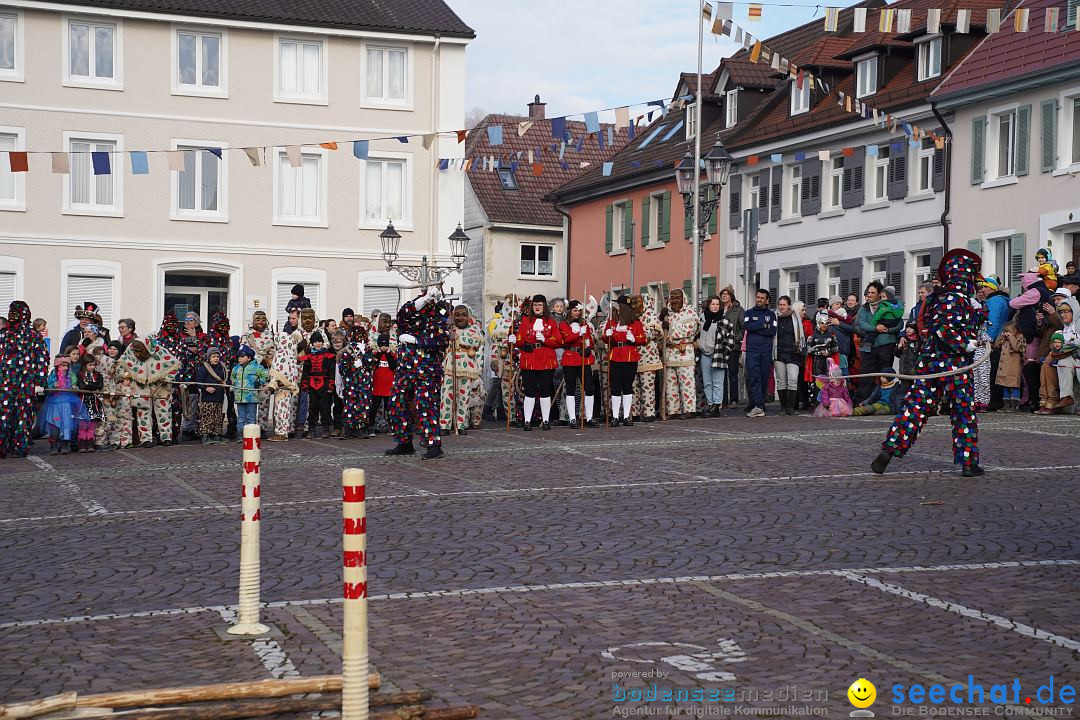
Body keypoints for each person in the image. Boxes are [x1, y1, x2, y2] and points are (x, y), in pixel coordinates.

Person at [873, 249, 985, 477]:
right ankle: (968, 463)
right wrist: (966, 344)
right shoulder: (955, 299)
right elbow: (944, 330)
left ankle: (888, 451)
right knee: (963, 412)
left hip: (931, 363)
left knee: (915, 408)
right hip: (954, 364)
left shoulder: (942, 297)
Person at [385, 287, 451, 460]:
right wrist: (422, 300)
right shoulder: (409, 315)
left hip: (427, 369)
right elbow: (402, 315)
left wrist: (417, 341)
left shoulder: (438, 317)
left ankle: (433, 446)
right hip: (405, 368)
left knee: (425, 404)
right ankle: (404, 442)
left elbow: (441, 340)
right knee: (396, 401)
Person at [0, 301, 50, 458]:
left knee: (24, 414)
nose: (13, 315)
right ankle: (3, 445)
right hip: (5, 382)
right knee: (4, 414)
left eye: (17, 312)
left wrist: (40, 382)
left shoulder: (33, 335)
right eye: (11, 311)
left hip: (26, 382)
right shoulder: (3, 335)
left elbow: (42, 358)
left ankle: (20, 446)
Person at [513, 294, 562, 431]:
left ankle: (545, 420)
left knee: (545, 391)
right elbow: (520, 340)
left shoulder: (551, 322)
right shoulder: (526, 321)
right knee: (530, 391)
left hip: (546, 359)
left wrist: (545, 339)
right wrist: (515, 340)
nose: (537, 307)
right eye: (535, 305)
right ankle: (527, 421)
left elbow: (558, 341)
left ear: (544, 307)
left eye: (540, 305)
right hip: (530, 359)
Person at [122, 338, 181, 448]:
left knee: (164, 411)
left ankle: (166, 437)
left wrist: (167, 377)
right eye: (135, 352)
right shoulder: (130, 351)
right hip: (141, 385)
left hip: (161, 386)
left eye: (138, 352)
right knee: (143, 411)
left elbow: (174, 365)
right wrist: (129, 375)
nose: (136, 354)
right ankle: (145, 439)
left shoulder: (160, 351)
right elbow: (124, 364)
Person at [440, 305, 485, 434]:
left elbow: (474, 342)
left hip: (467, 366)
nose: (460, 317)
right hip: (450, 365)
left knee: (463, 397)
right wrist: (447, 330)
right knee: (447, 396)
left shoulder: (474, 329)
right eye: (457, 314)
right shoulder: (448, 329)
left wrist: (457, 338)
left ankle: (460, 423)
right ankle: (445, 425)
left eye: (463, 315)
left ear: (468, 316)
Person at [38, 345, 90, 455]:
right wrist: (53, 386)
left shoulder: (71, 375)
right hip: (55, 405)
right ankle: (53, 446)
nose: (65, 368)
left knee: (67, 425)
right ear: (57, 366)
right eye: (62, 366)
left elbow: (74, 384)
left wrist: (74, 387)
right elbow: (48, 388)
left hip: (67, 404)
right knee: (55, 425)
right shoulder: (53, 375)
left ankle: (64, 445)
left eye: (66, 365)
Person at [603, 295, 646, 426]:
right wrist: (607, 335)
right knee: (615, 387)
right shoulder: (612, 322)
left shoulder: (636, 323)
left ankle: (627, 416)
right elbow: (605, 339)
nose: (617, 309)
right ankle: (615, 416)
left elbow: (643, 339)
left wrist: (634, 339)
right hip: (616, 354)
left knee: (627, 386)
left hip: (630, 355)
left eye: (619, 306)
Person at [855, 281, 900, 402]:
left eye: (872, 292)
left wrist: (888, 329)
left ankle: (885, 401)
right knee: (866, 375)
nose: (869, 295)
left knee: (885, 375)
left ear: (879, 294)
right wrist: (874, 328)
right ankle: (863, 401)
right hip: (868, 346)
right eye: (868, 292)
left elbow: (899, 323)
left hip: (886, 345)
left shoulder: (888, 306)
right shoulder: (862, 310)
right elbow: (860, 325)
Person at [660, 288, 700, 419]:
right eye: (673, 298)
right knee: (670, 384)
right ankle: (673, 410)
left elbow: (689, 330)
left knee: (686, 382)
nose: (675, 300)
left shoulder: (690, 312)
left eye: (678, 298)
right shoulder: (667, 314)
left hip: (684, 352)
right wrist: (662, 321)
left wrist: (669, 327)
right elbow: (660, 333)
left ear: (683, 298)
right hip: (670, 353)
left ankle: (689, 409)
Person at [560, 299, 598, 428]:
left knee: (589, 388)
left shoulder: (584, 324)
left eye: (578, 311)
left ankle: (589, 417)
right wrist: (578, 334)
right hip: (570, 358)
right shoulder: (564, 325)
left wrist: (588, 345)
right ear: (570, 311)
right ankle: (572, 418)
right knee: (571, 388)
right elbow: (567, 339)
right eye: (575, 310)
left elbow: (590, 341)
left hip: (583, 358)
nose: (577, 313)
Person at [698, 294, 736, 417]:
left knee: (718, 382)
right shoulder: (702, 318)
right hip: (704, 354)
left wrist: (725, 352)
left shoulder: (724, 320)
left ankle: (717, 406)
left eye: (717, 304)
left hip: (718, 354)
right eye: (712, 304)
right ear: (708, 305)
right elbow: (696, 334)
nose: (715, 306)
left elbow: (731, 338)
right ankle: (710, 405)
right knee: (707, 382)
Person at [266, 324, 304, 442]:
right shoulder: (292, 354)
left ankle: (282, 433)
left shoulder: (282, 354)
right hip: (287, 387)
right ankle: (285, 430)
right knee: (286, 410)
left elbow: (278, 370)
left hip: (283, 388)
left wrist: (275, 382)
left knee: (281, 411)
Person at [743, 289, 777, 417]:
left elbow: (772, 331)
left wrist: (757, 327)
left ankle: (761, 404)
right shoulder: (749, 312)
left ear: (767, 300)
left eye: (762, 298)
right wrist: (763, 325)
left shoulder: (771, 315)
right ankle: (757, 405)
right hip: (752, 351)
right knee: (754, 377)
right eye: (758, 297)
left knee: (763, 378)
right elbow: (747, 327)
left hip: (766, 351)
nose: (759, 300)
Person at [241, 310, 276, 431]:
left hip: (265, 373)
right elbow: (243, 353)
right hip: (251, 373)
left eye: (263, 319)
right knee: (249, 402)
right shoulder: (247, 335)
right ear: (253, 320)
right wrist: (258, 358)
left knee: (264, 402)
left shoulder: (271, 334)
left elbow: (274, 350)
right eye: (258, 319)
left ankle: (262, 428)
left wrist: (269, 358)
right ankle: (249, 428)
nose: (260, 322)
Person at [339, 324, 374, 439]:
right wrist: (352, 365)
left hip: (364, 382)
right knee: (350, 403)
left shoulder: (367, 350)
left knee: (363, 403)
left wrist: (364, 360)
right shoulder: (348, 350)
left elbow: (371, 364)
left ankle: (361, 427)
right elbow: (342, 367)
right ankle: (348, 428)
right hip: (352, 382)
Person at [299, 331, 336, 439]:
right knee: (312, 408)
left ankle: (326, 429)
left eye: (319, 341)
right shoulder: (308, 358)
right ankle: (311, 429)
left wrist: (330, 386)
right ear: (312, 343)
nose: (318, 343)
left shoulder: (328, 357)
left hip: (324, 384)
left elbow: (332, 372)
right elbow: (305, 373)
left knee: (325, 408)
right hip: (312, 385)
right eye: (315, 342)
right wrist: (305, 386)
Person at [772, 296, 804, 416]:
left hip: (793, 352)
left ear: (789, 305)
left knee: (792, 379)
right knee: (781, 381)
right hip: (778, 352)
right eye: (780, 304)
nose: (781, 307)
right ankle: (783, 407)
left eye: (784, 305)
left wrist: (801, 349)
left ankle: (791, 407)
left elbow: (801, 336)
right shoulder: (774, 318)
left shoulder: (795, 317)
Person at [1050, 295, 1080, 412]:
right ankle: (1066, 396)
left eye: (1066, 312)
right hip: (1074, 355)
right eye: (1061, 312)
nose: (1063, 315)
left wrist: (1066, 346)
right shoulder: (1066, 327)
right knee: (1063, 363)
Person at [232, 345, 269, 438]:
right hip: (239, 398)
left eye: (242, 356)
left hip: (251, 398)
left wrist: (259, 382)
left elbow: (265, 376)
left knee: (251, 418)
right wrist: (235, 383)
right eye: (238, 357)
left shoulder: (257, 367)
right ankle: (240, 435)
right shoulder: (236, 368)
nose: (239, 359)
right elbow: (232, 377)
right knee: (240, 418)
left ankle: (251, 436)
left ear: (249, 358)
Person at [368, 315, 398, 435]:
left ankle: (390, 426)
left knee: (388, 406)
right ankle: (372, 426)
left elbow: (393, 365)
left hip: (388, 383)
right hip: (377, 383)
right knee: (374, 406)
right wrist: (379, 353)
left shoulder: (391, 352)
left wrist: (389, 352)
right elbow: (373, 364)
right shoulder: (376, 353)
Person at [195, 346, 229, 443]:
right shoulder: (204, 368)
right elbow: (199, 381)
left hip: (219, 396)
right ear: (209, 357)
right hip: (208, 397)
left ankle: (216, 434)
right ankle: (206, 435)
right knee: (207, 417)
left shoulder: (222, 368)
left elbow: (226, 379)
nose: (216, 359)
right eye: (214, 357)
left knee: (218, 417)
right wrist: (206, 388)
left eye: (217, 357)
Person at [993, 321, 1026, 413]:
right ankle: (1006, 405)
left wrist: (1011, 338)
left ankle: (1014, 405)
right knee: (1005, 386)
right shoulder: (1005, 340)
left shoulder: (1020, 339)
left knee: (1013, 386)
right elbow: (996, 345)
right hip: (1004, 368)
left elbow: (1016, 348)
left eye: (1009, 331)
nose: (1007, 333)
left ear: (1015, 331)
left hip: (1013, 368)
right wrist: (1001, 336)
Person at [76, 352, 106, 452]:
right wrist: (91, 386)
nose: (92, 367)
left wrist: (90, 386)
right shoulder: (80, 375)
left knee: (92, 425)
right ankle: (82, 445)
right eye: (90, 365)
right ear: (84, 365)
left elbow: (99, 385)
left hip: (94, 404)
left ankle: (90, 444)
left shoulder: (98, 375)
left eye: (94, 365)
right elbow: (82, 386)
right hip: (83, 403)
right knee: (83, 425)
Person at [720, 287, 743, 409]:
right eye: (722, 294)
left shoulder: (738, 310)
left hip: (733, 346)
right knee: (721, 374)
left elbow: (742, 327)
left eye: (726, 294)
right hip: (720, 346)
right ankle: (723, 400)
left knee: (733, 374)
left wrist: (735, 340)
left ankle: (734, 399)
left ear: (731, 296)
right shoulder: (718, 309)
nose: (724, 296)